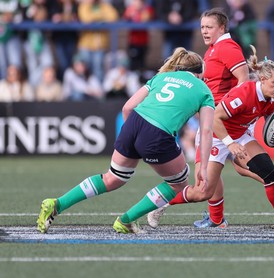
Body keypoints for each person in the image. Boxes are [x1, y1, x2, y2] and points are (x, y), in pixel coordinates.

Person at [36, 47, 215, 234]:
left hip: (134, 123)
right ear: (200, 73)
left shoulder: (161, 77)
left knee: (112, 178)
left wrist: (135, 138)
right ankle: (126, 220)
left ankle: (57, 204)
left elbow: (127, 108)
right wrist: (202, 167)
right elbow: (207, 131)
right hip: (157, 133)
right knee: (179, 182)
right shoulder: (204, 90)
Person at [148, 8, 274, 229]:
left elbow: (243, 79)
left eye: (209, 27)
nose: (204, 31)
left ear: (222, 28)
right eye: (202, 27)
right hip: (219, 126)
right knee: (205, 189)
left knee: (257, 168)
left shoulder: (227, 47)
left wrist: (233, 106)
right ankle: (170, 206)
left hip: (223, 122)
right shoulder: (214, 50)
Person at [77, 0, 119, 81]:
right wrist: (102, 19)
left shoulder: (104, 5)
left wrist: (96, 19)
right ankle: (86, 90)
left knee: (98, 69)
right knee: (85, 69)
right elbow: (86, 19)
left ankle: (98, 91)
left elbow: (113, 17)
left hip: (100, 45)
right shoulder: (84, 6)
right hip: (86, 44)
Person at [123, 0, 154, 74]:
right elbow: (125, 17)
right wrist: (133, 12)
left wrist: (140, 11)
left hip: (143, 41)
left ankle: (140, 79)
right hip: (133, 41)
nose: (136, 3)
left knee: (142, 63)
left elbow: (146, 18)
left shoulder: (147, 9)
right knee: (133, 63)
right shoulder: (130, 9)